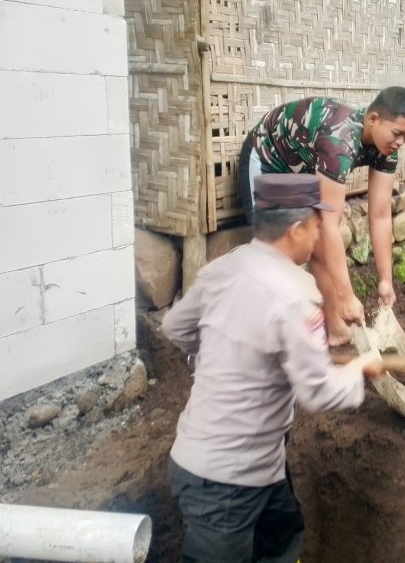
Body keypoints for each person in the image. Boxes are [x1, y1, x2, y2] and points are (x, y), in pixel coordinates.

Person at [162, 174, 385, 563]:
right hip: (226, 483)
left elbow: (175, 328)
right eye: (317, 227)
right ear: (297, 229)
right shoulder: (295, 296)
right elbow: (318, 392)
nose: (318, 237)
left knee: (283, 533)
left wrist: (226, 351)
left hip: (223, 461)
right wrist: (361, 368)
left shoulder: (223, 270)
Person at [238, 87, 405, 346]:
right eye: (397, 133)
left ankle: (335, 329)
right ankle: (239, 336)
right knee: (273, 256)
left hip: (301, 168)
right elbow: (330, 225)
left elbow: (380, 215)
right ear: (373, 120)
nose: (401, 141)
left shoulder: (387, 148)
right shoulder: (339, 140)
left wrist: (385, 280)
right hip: (268, 158)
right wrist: (346, 296)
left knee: (320, 249)